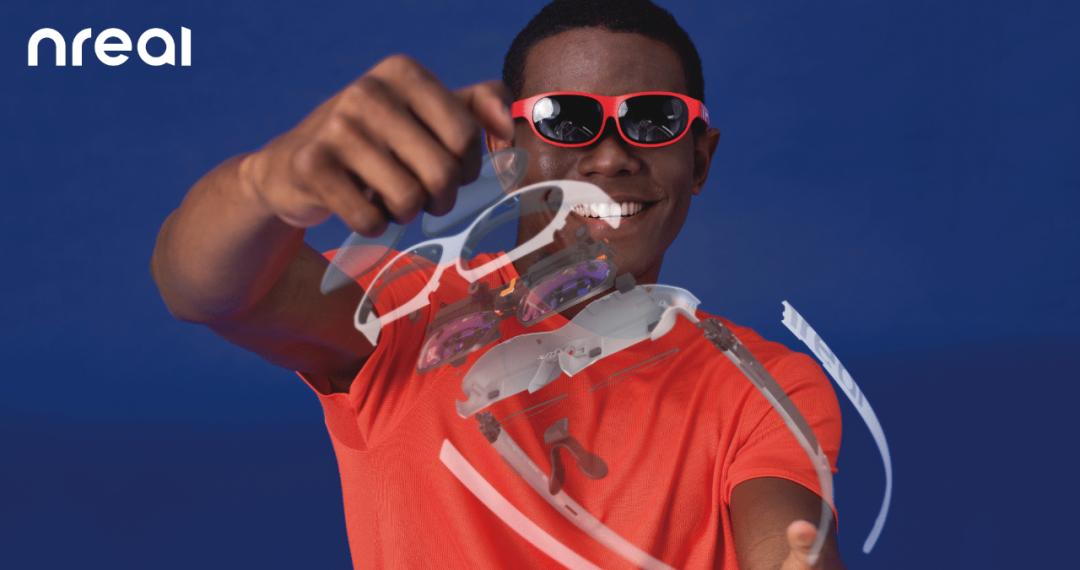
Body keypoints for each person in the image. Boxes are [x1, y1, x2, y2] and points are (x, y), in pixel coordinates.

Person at [151, 1, 844, 567]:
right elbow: (204, 289)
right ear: (507, 156)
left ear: (700, 160)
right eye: (564, 121)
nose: (610, 157)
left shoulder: (765, 383)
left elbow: (783, 541)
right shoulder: (409, 314)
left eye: (653, 120)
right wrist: (267, 183)